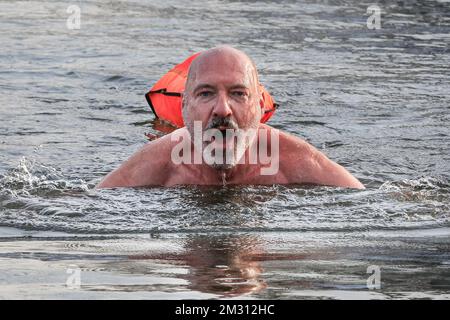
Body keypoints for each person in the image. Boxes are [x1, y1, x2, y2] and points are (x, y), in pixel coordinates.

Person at [97, 46, 364, 189]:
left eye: (238, 93)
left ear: (260, 106)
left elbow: (364, 202)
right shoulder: (157, 162)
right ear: (184, 105)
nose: (222, 109)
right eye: (206, 94)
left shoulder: (296, 160)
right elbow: (88, 205)